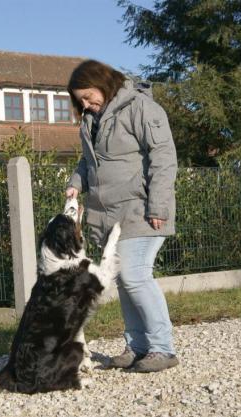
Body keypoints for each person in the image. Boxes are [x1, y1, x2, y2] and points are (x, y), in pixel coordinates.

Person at [65, 59, 179, 373]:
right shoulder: (91, 120)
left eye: (89, 96)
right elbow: (87, 162)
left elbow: (164, 158)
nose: (86, 104)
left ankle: (162, 348)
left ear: (104, 82)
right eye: (81, 101)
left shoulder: (142, 108)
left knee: (134, 275)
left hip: (141, 208)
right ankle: (138, 346)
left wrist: (158, 205)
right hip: (107, 215)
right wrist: (76, 184)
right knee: (126, 281)